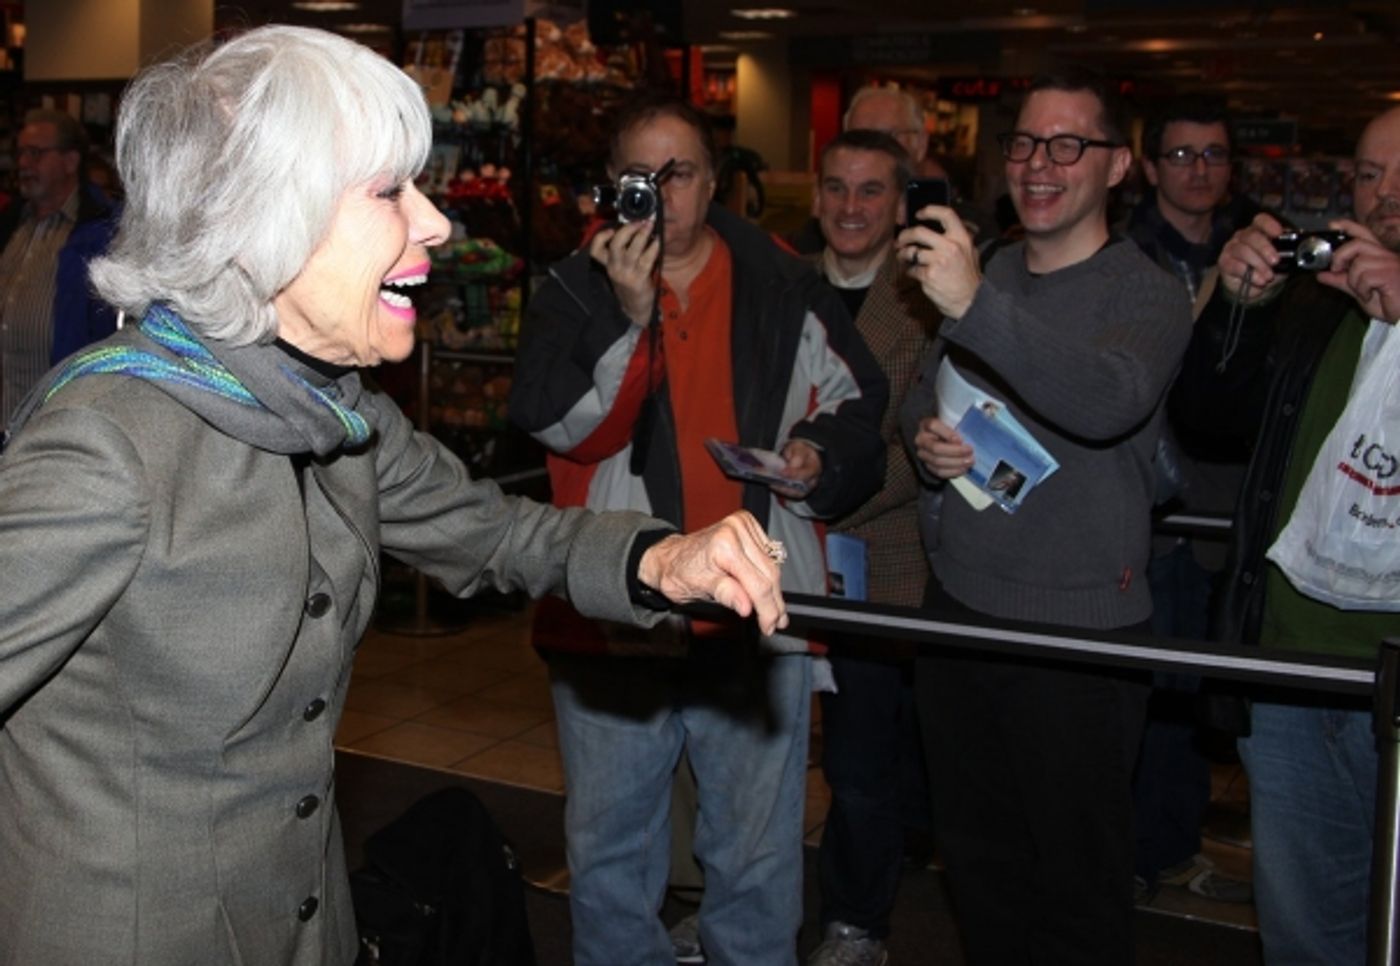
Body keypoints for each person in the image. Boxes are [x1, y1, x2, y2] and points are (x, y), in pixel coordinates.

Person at [0, 27, 791, 966]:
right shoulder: (108, 444)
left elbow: (493, 532)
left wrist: (661, 557)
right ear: (262, 216)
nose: (436, 222)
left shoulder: (331, 405)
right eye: (387, 192)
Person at [508, 93, 887, 966]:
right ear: (612, 185)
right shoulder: (573, 288)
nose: (662, 192)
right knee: (611, 851)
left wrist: (817, 452)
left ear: (715, 181)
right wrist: (627, 312)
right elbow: (557, 425)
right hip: (613, 609)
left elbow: (860, 406)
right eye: (641, 174)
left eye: (679, 172)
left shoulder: (782, 282)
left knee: (756, 854)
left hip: (752, 610)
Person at [898, 67, 1193, 963]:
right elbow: (920, 395)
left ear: (1118, 166)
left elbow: (1108, 399)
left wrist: (973, 306)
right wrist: (928, 442)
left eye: (1068, 145)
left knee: (1077, 888)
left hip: (1079, 633)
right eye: (1025, 142)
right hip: (960, 611)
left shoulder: (1145, 291)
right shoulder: (990, 271)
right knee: (979, 869)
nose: (1038, 164)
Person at [1171, 103, 1400, 965]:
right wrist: (1238, 307)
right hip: (1291, 669)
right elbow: (1208, 424)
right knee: (1304, 929)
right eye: (1370, 175)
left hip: (1389, 670)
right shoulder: (1320, 301)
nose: (1385, 195)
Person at [805, 128, 938, 966]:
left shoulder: (929, 300)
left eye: (870, 190)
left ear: (900, 205)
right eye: (836, 187)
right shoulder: (781, 284)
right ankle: (736, 898)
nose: (850, 207)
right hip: (775, 551)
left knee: (859, 764)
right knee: (756, 749)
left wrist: (824, 489)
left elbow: (929, 442)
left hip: (877, 559)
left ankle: (856, 922)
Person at [1124, 94, 1258, 905]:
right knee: (1157, 691)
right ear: (1149, 167)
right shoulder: (1126, 255)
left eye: (1213, 155)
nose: (1198, 170)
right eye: (1181, 155)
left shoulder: (1262, 247)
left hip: (1233, 507)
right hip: (1154, 510)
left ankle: (1171, 841)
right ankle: (1148, 848)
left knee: (1208, 692)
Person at [0, 108, 119, 426]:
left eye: (36, 153)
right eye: (20, 153)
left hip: (53, 423)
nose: (24, 164)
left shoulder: (101, 234)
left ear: (70, 161)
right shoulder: (10, 225)